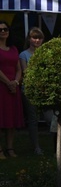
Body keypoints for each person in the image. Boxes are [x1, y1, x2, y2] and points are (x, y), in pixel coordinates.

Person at [18, 27, 45, 155]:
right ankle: (36, 146)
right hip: (29, 89)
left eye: (39, 38)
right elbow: (25, 71)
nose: (37, 40)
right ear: (29, 39)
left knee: (52, 117)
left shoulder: (46, 53)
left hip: (45, 90)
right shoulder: (23, 54)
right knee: (33, 119)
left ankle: (57, 144)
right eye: (34, 37)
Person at [0, 20, 24, 159]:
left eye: (5, 29)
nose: (3, 31)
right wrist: (8, 82)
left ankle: (10, 148)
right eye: (0, 29)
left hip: (13, 88)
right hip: (1, 86)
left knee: (11, 120)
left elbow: (19, 69)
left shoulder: (14, 48)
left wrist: (15, 82)